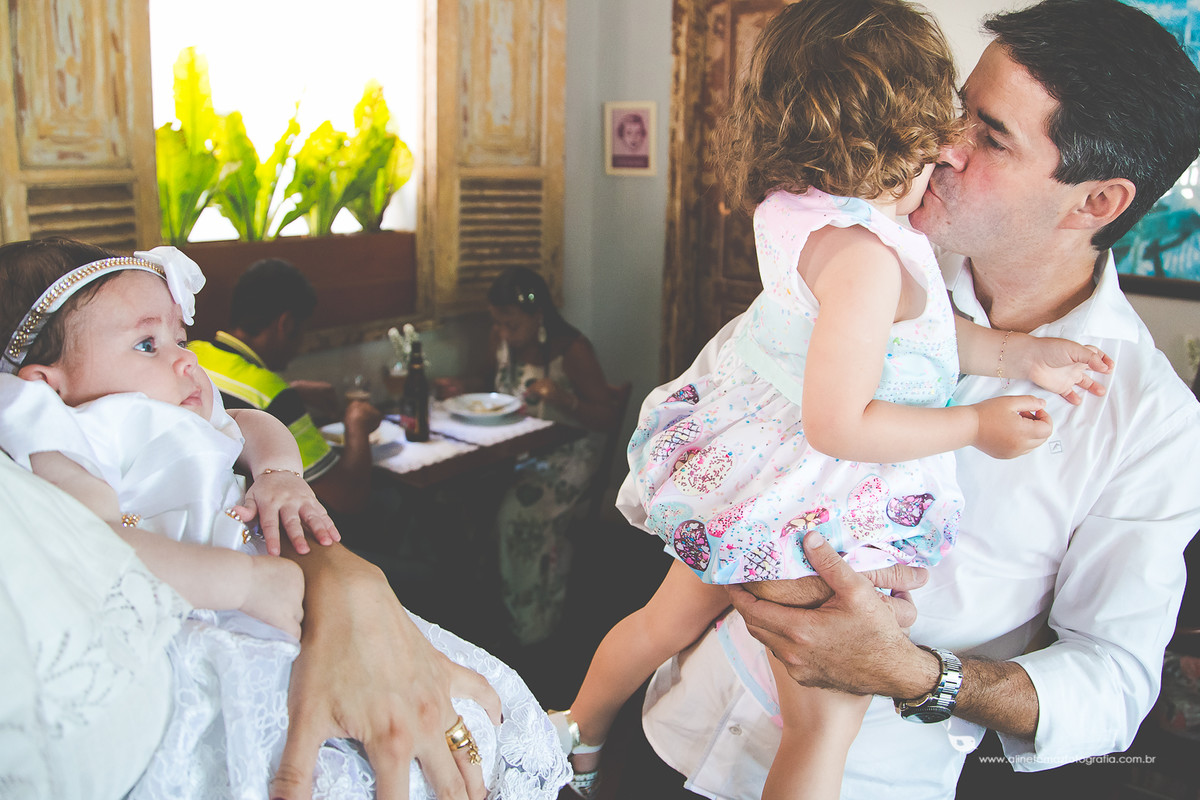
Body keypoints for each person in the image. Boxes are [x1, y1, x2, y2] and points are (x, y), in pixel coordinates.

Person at [633, 0, 1200, 797]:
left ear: (1096, 203)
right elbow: (723, 408)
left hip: (866, 774)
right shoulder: (858, 250)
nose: (942, 142)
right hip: (684, 715)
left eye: (991, 135)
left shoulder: (1153, 419)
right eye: (958, 106)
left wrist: (913, 672)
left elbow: (1114, 680)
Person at [0, 238, 570, 799]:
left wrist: (278, 476)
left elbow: (253, 425)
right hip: (217, 607)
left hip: (285, 583)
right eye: (146, 344)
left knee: (466, 696)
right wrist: (247, 582)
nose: (184, 358)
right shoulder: (78, 435)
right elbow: (99, 547)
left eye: (181, 337)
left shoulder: (186, 403)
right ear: (48, 387)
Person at [481, 266, 622, 644]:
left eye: (512, 324)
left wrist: (565, 399)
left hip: (568, 455)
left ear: (537, 315)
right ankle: (487, 605)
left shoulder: (572, 351)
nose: (505, 333)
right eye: (499, 323)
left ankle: (532, 620)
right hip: (515, 449)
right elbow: (488, 388)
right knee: (469, 497)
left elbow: (607, 417)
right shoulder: (500, 339)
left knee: (520, 513)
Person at [189, 258, 383, 515]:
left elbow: (233, 394)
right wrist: (356, 424)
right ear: (287, 324)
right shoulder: (273, 395)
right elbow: (346, 498)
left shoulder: (193, 353)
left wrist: (292, 390)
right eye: (303, 331)